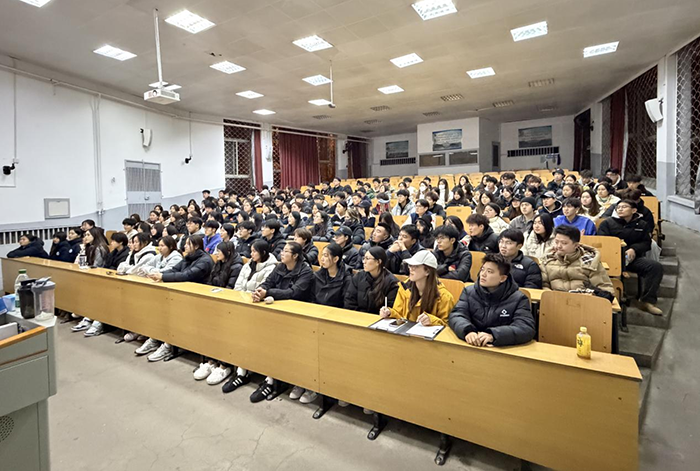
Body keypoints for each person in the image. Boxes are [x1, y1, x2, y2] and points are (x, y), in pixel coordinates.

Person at [249, 242, 314, 403]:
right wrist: (260, 291)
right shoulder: (280, 267)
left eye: (286, 251)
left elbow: (294, 292)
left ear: (295, 256)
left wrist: (268, 293)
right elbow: (267, 282)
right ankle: (269, 378)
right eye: (282, 251)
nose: (282, 254)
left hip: (298, 316)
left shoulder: (305, 271)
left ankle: (289, 380)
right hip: (276, 310)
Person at [289, 243, 353, 405]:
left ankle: (322, 388)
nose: (321, 259)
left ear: (336, 259)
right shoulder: (317, 276)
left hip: (334, 323)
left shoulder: (346, 278)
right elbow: (310, 298)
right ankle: (304, 382)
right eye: (321, 255)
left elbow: (346, 305)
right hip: (315, 318)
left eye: (325, 256)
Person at [448, 254, 536, 347]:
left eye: (489, 271)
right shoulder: (469, 292)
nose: (483, 274)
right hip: (471, 345)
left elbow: (526, 328)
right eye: (482, 269)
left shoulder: (519, 299)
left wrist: (493, 335)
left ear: (503, 278)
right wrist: (467, 331)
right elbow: (457, 314)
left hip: (500, 348)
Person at [598, 199, 664, 315]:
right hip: (611, 259)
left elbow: (646, 243)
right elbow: (603, 242)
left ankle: (647, 301)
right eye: (618, 207)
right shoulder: (607, 223)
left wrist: (634, 249)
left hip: (632, 259)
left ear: (633, 210)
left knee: (655, 267)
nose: (620, 209)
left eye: (624, 207)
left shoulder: (641, 224)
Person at [379, 250, 455, 326]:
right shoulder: (404, 288)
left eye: (416, 266)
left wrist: (432, 321)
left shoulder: (445, 297)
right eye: (410, 265)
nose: (411, 269)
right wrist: (389, 313)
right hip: (406, 331)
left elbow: (448, 326)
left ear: (427, 271)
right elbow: (399, 314)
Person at [540, 225, 614, 295]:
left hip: (583, 301)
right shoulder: (548, 261)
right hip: (555, 300)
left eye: (564, 243)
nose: (558, 246)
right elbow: (543, 285)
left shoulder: (590, 262)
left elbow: (605, 289)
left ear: (576, 245)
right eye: (556, 242)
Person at [70, 228, 111, 335]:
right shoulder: (89, 247)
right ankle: (87, 316)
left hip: (100, 278)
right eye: (85, 235)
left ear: (95, 236)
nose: (85, 237)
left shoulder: (100, 248)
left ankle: (92, 319)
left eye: (88, 235)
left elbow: (97, 266)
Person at [345, 247, 399, 314]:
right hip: (357, 316)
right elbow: (349, 300)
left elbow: (390, 308)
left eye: (367, 259)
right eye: (364, 258)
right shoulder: (358, 276)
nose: (364, 262)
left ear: (378, 262)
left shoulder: (391, 283)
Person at [150, 234, 215, 284]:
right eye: (185, 243)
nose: (185, 246)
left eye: (188, 244)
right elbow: (174, 269)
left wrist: (163, 277)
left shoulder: (204, 261)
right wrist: (159, 274)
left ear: (196, 246)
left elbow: (187, 275)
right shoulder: (189, 256)